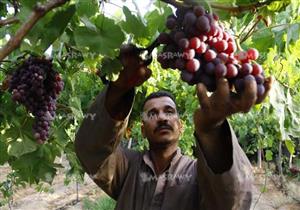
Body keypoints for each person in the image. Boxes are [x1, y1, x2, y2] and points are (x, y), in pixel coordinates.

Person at [75, 45, 273, 210]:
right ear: (142, 130)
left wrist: (212, 129)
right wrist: (118, 90)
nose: (161, 117)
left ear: (180, 126)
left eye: (169, 111)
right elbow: (90, 149)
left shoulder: (198, 174)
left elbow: (234, 201)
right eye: (152, 114)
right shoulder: (126, 167)